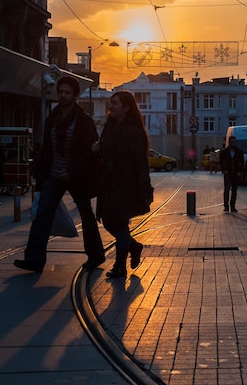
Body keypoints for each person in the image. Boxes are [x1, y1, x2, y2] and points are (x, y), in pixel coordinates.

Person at [14, 75, 105, 274]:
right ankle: (34, 260)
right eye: (61, 92)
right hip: (54, 174)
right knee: (42, 215)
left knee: (86, 216)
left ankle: (96, 255)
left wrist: (72, 171)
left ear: (74, 95)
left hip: (76, 176)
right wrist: (41, 172)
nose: (63, 96)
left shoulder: (83, 120)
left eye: (67, 93)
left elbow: (90, 152)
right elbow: (47, 148)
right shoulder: (53, 118)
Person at [92, 91, 154, 279]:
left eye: (115, 103)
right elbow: (105, 152)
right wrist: (98, 149)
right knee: (109, 221)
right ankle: (134, 247)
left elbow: (140, 163)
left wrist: (145, 189)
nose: (111, 106)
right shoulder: (109, 127)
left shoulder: (133, 131)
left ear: (126, 107)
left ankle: (120, 266)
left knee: (119, 223)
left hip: (125, 184)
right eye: (111, 103)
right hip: (108, 183)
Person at [219, 135, 244, 212]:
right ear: (229, 142)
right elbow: (221, 162)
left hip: (235, 173)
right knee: (226, 189)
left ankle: (233, 206)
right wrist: (224, 170)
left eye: (235, 142)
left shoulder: (239, 151)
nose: (234, 144)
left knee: (234, 190)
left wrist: (240, 171)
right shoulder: (224, 152)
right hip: (228, 173)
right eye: (232, 142)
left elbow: (242, 163)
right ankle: (226, 206)